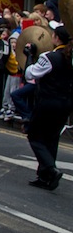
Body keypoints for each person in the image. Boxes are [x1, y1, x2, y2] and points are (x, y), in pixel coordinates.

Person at [23, 26, 72, 190]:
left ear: (56, 38)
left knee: (34, 136)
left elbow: (30, 74)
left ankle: (50, 168)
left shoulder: (50, 57)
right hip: (65, 103)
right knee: (52, 138)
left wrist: (29, 57)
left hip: (48, 102)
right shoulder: (70, 57)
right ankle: (45, 176)